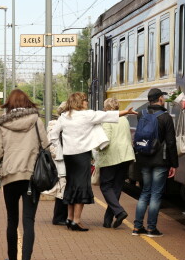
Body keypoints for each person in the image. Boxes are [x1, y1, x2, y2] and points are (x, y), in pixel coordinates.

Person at [49, 92, 137, 231]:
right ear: (79, 102)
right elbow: (108, 115)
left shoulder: (64, 117)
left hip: (68, 156)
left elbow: (53, 135)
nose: (87, 102)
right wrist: (126, 111)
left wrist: (60, 149)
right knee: (82, 187)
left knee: (71, 186)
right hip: (82, 156)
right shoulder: (87, 115)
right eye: (84, 100)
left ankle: (69, 218)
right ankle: (77, 221)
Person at [0, 89, 49, 260]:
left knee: (12, 220)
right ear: (27, 102)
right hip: (32, 176)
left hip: (9, 175)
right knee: (29, 221)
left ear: (9, 103)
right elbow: (46, 145)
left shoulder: (0, 124)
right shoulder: (36, 120)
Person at [133, 88, 179, 237]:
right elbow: (171, 142)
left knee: (145, 191)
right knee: (156, 194)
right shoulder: (166, 117)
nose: (164, 100)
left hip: (144, 158)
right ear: (159, 99)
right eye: (163, 98)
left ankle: (137, 227)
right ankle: (151, 229)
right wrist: (174, 164)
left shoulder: (141, 114)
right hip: (160, 161)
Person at [96, 97, 135, 229]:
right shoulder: (124, 119)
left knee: (105, 186)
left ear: (106, 108)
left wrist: (95, 147)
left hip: (112, 157)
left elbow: (104, 140)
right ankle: (108, 220)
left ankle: (120, 212)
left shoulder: (107, 120)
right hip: (126, 156)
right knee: (116, 188)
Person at [43, 101, 68, 225]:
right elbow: (51, 144)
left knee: (64, 187)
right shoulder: (55, 125)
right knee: (62, 188)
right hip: (60, 160)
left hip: (65, 159)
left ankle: (62, 216)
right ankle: (59, 217)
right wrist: (58, 155)